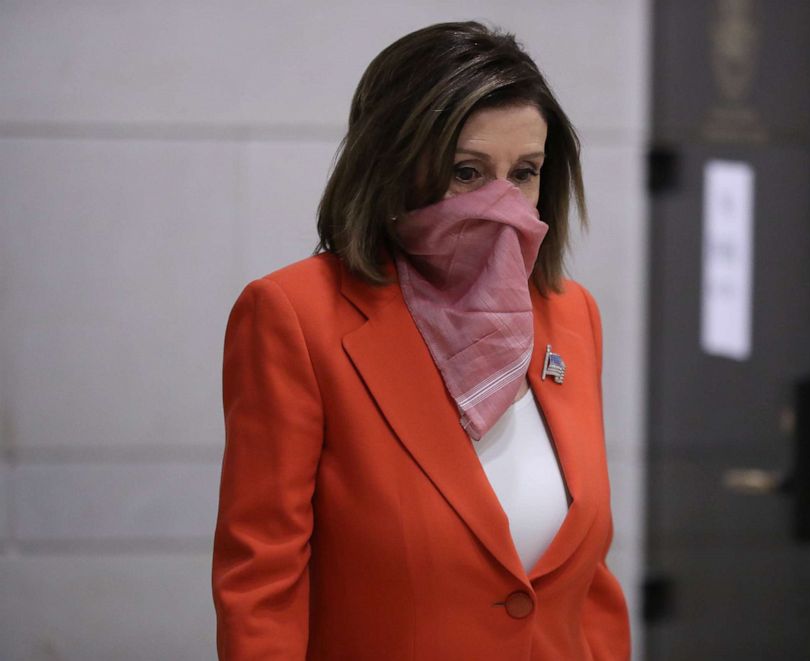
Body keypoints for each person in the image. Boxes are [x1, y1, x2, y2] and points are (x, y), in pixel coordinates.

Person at [212, 20, 630, 660]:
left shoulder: (572, 316)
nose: (499, 204)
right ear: (391, 168)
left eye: (524, 172)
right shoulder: (294, 317)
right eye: (466, 172)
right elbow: (262, 584)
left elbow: (587, 582)